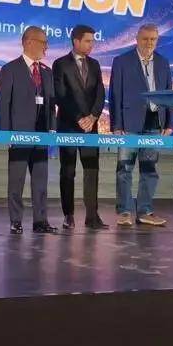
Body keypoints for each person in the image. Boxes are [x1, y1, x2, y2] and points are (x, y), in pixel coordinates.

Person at [108, 23, 173, 227]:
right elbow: (115, 94)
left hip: (154, 122)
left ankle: (145, 211)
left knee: (149, 168)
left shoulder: (163, 62)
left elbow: (169, 94)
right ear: (137, 39)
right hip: (129, 123)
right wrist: (116, 125)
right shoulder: (122, 61)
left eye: (153, 39)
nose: (149, 43)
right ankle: (125, 211)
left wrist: (169, 122)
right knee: (125, 168)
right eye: (145, 39)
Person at [0, 26, 57, 234]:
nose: (46, 47)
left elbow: (51, 104)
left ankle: (41, 221)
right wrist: (6, 133)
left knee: (40, 181)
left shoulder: (47, 72)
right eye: (43, 43)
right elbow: (3, 103)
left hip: (42, 135)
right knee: (17, 180)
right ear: (29, 42)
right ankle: (16, 220)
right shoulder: (10, 69)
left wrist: (52, 128)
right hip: (19, 134)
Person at [53, 24, 107, 230]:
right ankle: (68, 215)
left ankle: (92, 216)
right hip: (68, 126)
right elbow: (61, 95)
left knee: (92, 170)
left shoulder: (95, 64)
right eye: (88, 41)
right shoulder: (60, 64)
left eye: (93, 41)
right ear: (76, 41)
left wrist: (93, 117)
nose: (91, 45)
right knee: (67, 171)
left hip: (91, 127)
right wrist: (79, 118)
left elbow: (100, 93)